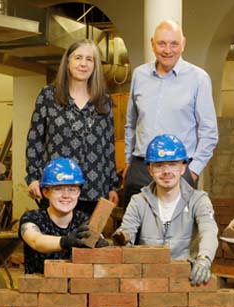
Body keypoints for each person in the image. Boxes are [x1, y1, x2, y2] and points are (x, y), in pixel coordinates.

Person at [123, 19, 218, 207]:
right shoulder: (139, 75)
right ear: (152, 43)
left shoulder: (198, 78)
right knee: (133, 231)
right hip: (141, 167)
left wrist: (193, 170)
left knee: (176, 234)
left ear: (183, 44)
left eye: (174, 43)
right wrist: (128, 162)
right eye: (162, 43)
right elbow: (131, 124)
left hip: (179, 170)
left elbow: (209, 132)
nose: (167, 50)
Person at [25, 38, 119, 215]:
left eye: (89, 59)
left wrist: (112, 186)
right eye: (78, 58)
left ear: (95, 66)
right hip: (56, 188)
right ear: (68, 61)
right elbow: (34, 141)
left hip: (95, 192)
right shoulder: (48, 96)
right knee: (57, 241)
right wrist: (33, 178)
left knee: (86, 241)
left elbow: (108, 148)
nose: (83, 64)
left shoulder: (104, 101)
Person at [113, 134, 218, 286]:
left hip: (188, 280)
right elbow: (127, 232)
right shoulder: (139, 201)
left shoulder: (198, 200)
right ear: (150, 169)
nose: (166, 171)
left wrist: (204, 259)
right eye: (159, 165)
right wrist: (122, 240)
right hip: (148, 281)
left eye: (172, 164)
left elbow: (209, 232)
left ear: (183, 167)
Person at [19, 157, 108, 274]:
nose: (66, 195)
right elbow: (36, 241)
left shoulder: (85, 220)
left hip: (76, 287)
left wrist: (101, 247)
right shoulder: (33, 218)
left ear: (79, 193)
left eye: (72, 189)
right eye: (58, 189)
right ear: (46, 192)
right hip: (39, 288)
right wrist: (66, 242)